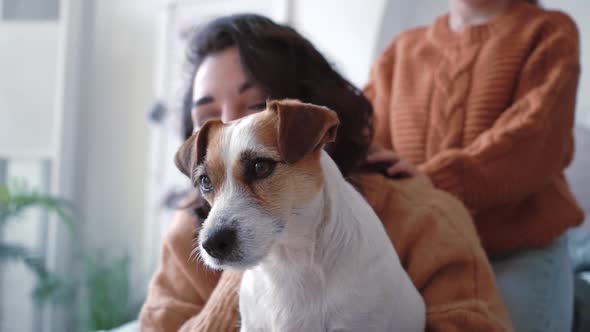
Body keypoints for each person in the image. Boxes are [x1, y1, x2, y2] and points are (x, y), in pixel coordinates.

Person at [139, 14, 512, 332]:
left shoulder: (420, 213)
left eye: (252, 107)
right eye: (209, 118)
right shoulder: (190, 232)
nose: (230, 128)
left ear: (305, 114)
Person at [365, 0, 584, 331]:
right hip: (422, 257)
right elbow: (366, 143)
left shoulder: (548, 32)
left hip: (514, 255)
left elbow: (533, 141)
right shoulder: (402, 49)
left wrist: (429, 180)